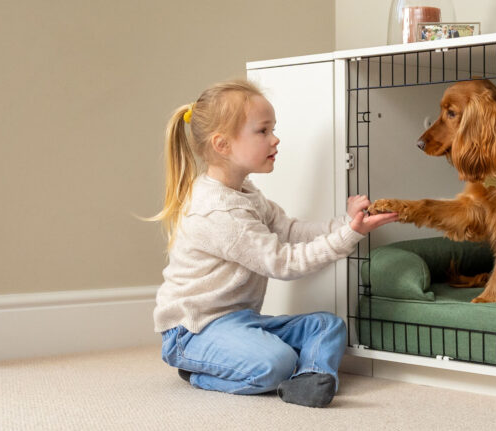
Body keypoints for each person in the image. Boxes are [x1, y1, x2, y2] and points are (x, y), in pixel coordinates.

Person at [145, 79, 398, 407]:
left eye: (272, 129)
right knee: (275, 363)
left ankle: (307, 379)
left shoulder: (246, 192)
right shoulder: (217, 211)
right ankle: (199, 373)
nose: (275, 139)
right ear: (222, 145)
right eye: (263, 131)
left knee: (327, 325)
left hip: (240, 320)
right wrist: (350, 237)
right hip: (194, 331)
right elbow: (284, 262)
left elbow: (290, 230)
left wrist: (347, 223)